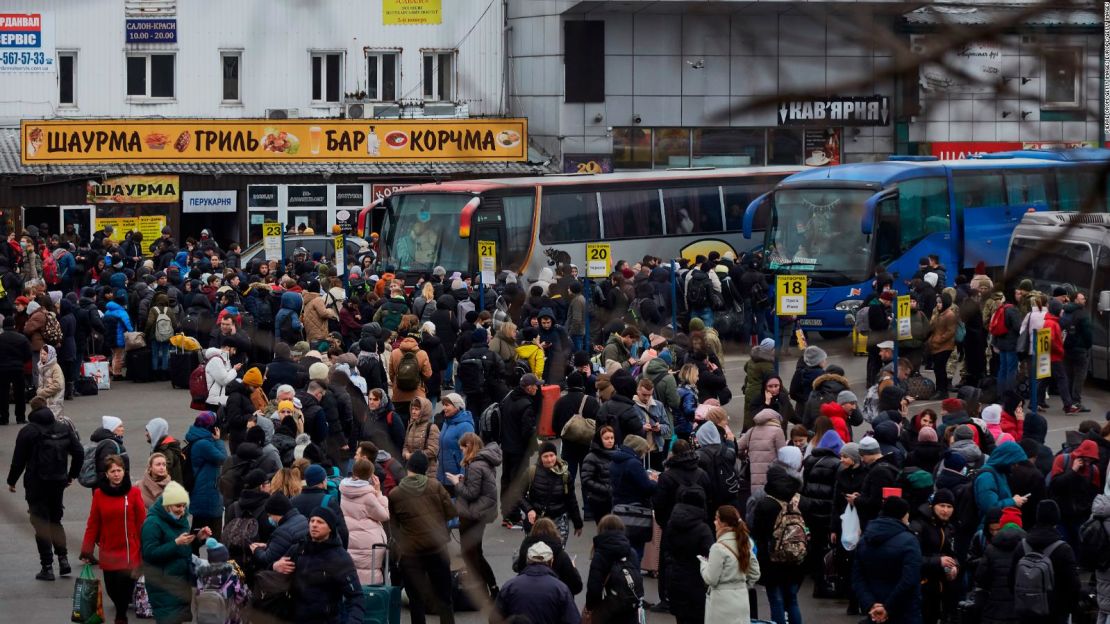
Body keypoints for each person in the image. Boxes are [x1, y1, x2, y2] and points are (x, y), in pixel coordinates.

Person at [6, 399, 82, 581]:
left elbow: (19, 460)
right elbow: (78, 452)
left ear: (32, 410)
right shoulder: (64, 428)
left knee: (41, 523)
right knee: (56, 520)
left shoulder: (28, 431)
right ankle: (63, 560)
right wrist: (71, 475)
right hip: (58, 481)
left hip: (36, 482)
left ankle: (47, 567)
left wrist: (12, 481)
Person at [388, 451, 458, 624]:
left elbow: (394, 527)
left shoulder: (396, 494)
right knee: (444, 597)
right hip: (437, 549)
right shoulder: (436, 486)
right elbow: (451, 513)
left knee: (416, 601)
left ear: (408, 467)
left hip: (411, 554)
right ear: (425, 469)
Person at [80, 455, 146, 624]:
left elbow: (142, 522)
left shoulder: (133, 493)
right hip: (109, 550)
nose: (116, 474)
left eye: (119, 470)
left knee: (125, 589)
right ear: (107, 474)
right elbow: (93, 523)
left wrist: (146, 545)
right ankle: (120, 609)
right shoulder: (99, 494)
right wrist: (86, 548)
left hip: (130, 551)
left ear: (124, 472)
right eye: (113, 471)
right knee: (112, 590)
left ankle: (121, 616)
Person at [282, 506, 365, 624]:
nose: (314, 525)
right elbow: (275, 577)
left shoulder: (340, 558)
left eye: (320, 522)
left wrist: (353, 621)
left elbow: (356, 597)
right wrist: (275, 566)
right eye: (312, 521)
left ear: (330, 528)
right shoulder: (298, 550)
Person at [142, 481, 205, 624]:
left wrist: (198, 538)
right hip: (163, 584)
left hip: (180, 582)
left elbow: (184, 547)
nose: (182, 510)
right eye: (178, 506)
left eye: (184, 505)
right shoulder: (152, 524)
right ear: (167, 505)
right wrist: (175, 543)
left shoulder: (181, 520)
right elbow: (150, 554)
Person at [852, 496, 922, 624]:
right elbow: (909, 579)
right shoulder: (910, 540)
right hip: (904, 611)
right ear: (904, 515)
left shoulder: (864, 539)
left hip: (873, 609)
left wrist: (871, 605)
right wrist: (887, 607)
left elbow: (857, 577)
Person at [447, 432, 501, 599]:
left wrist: (457, 483)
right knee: (475, 553)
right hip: (481, 513)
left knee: (471, 554)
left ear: (469, 447)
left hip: (473, 515)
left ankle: (488, 588)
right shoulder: (484, 462)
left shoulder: (476, 466)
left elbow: (471, 493)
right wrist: (465, 479)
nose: (461, 451)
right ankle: (489, 588)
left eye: (462, 448)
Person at [493, 541, 581, 624]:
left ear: (528, 560)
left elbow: (493, 618)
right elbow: (573, 620)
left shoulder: (510, 586)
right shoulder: (561, 589)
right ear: (551, 561)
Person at [700, 504, 760, 623]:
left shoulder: (718, 548)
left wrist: (703, 565)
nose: (714, 522)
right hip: (741, 599)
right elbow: (755, 573)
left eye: (717, 519)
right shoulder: (745, 543)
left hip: (721, 602)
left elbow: (711, 579)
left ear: (723, 523)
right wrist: (741, 585)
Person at [663, 488, 715, 624]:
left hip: (675, 577)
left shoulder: (671, 524)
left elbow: (666, 550)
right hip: (697, 581)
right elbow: (712, 554)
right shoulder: (703, 528)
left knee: (681, 618)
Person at [519, 440, 583, 544]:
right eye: (545, 456)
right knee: (537, 554)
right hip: (537, 522)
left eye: (552, 455)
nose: (549, 460)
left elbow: (571, 499)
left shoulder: (565, 474)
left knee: (557, 554)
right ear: (540, 457)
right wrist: (529, 510)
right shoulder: (531, 472)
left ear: (556, 455)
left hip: (559, 521)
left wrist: (577, 523)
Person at [339, 458, 389, 585]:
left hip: (350, 538)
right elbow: (384, 515)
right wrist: (379, 493)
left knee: (354, 573)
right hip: (368, 543)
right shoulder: (368, 495)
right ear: (370, 475)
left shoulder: (344, 490)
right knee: (369, 576)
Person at [585, 514, 643, 624]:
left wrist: (590, 607)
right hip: (630, 606)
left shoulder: (600, 554)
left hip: (610, 609)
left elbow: (594, 587)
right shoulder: (631, 552)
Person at [499, 373, 541, 525]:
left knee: (506, 480)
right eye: (535, 385)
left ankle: (507, 514)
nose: (537, 387)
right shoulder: (526, 405)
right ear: (528, 387)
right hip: (519, 450)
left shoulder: (509, 398)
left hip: (507, 446)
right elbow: (527, 431)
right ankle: (514, 515)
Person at [185, 411, 228, 544]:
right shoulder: (203, 444)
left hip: (204, 492)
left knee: (201, 531)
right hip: (207, 494)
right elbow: (222, 458)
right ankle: (208, 560)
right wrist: (219, 441)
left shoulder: (200, 439)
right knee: (206, 534)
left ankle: (198, 557)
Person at [292, 464, 348, 547]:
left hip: (300, 550)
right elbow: (341, 530)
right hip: (323, 550)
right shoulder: (329, 500)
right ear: (322, 481)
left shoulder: (293, 500)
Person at [738, 408, 787, 493]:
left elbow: (738, 448)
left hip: (754, 478)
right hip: (772, 476)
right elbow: (783, 456)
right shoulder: (778, 431)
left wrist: (744, 456)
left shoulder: (751, 431)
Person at [435, 393, 474, 485]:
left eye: (447, 405)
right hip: (443, 475)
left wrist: (462, 476)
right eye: (443, 405)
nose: (444, 408)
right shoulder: (446, 423)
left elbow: (469, 454)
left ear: (457, 407)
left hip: (456, 477)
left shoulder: (465, 426)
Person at [581, 425, 617, 522]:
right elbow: (586, 480)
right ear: (600, 440)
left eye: (612, 438)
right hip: (599, 501)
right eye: (606, 438)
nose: (610, 441)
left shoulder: (618, 455)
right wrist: (605, 489)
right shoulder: (592, 457)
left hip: (616, 500)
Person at [0, 317, 32, 424]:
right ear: (14, 325)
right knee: (19, 393)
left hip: (2, 369)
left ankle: (4, 417)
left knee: (3, 394)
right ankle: (20, 417)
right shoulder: (22, 338)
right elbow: (28, 354)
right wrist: (21, 361)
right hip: (18, 368)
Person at [403, 396, 440, 477]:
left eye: (417, 409)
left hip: (428, 471)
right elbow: (405, 446)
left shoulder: (432, 427)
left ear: (424, 411)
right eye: (412, 409)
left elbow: (433, 451)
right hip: (412, 470)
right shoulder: (411, 426)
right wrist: (405, 454)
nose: (413, 411)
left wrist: (413, 456)